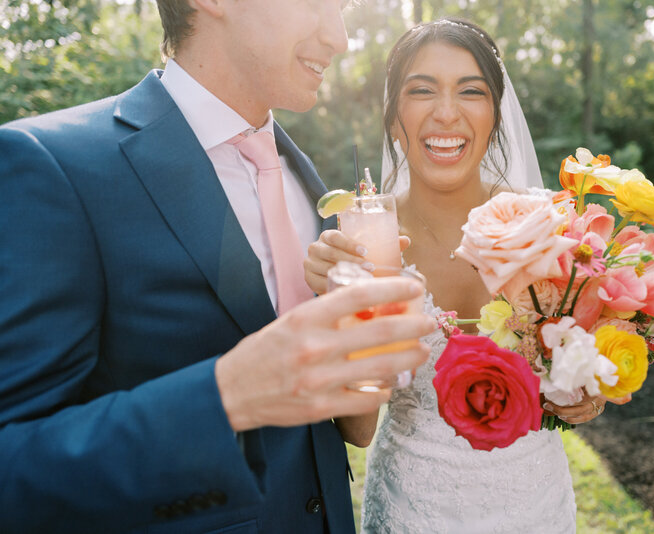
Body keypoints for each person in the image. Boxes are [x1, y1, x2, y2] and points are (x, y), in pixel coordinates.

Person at [0, 2, 437, 533]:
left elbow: (352, 430)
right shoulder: (53, 166)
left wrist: (366, 342)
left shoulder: (310, 184)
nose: (341, 39)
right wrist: (226, 394)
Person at [304, 18, 610, 533]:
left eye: (470, 92)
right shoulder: (366, 234)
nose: (446, 112)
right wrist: (347, 304)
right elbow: (357, 430)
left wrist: (587, 391)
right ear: (395, 117)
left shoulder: (551, 223)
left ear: (495, 114)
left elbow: (580, 368)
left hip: (534, 505)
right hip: (412, 509)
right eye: (422, 91)